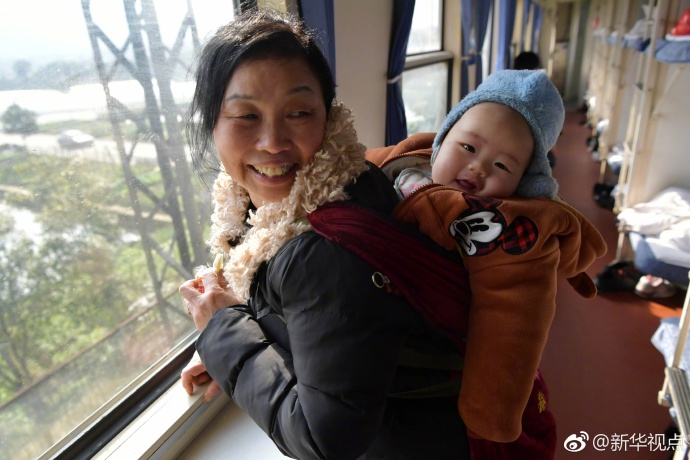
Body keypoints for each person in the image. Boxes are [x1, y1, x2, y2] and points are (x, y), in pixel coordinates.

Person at [178, 10, 471, 460]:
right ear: (212, 124)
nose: (272, 141)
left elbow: (323, 439)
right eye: (246, 115)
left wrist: (223, 331)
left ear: (328, 116)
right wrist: (229, 341)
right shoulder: (338, 180)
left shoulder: (324, 251)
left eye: (298, 113)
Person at [366, 70, 607, 458]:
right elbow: (358, 163)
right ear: (444, 136)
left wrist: (490, 413)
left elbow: (513, 321)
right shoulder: (407, 160)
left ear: (523, 183)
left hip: (436, 355)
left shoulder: (511, 233)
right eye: (468, 147)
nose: (478, 168)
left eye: (503, 166)